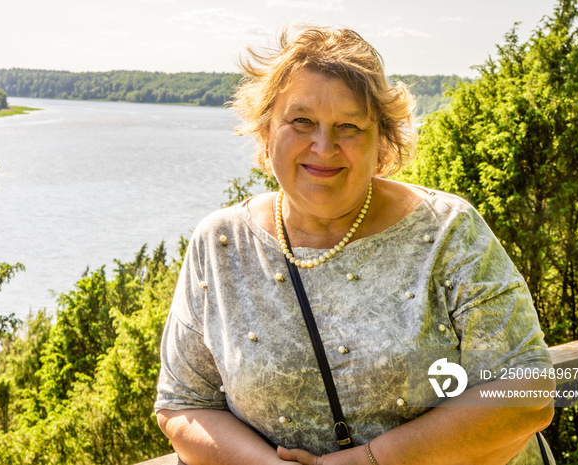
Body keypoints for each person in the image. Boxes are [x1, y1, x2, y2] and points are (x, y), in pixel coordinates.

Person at [155, 26, 555, 465]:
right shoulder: (221, 244)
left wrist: (372, 461)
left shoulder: (447, 232)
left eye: (348, 126)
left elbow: (528, 392)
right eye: (301, 121)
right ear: (266, 131)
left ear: (381, 144)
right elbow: (184, 404)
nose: (323, 146)